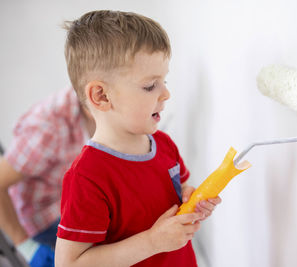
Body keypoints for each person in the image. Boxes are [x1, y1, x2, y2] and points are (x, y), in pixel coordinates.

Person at [54, 10, 221, 267]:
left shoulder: (163, 143)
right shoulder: (87, 177)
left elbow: (182, 188)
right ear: (102, 96)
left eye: (163, 80)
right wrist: (152, 242)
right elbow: (69, 264)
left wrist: (193, 199)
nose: (165, 93)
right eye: (150, 85)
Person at [0, 86, 95, 266]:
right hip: (43, 220)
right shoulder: (49, 128)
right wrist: (26, 246)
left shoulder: (88, 110)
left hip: (66, 200)